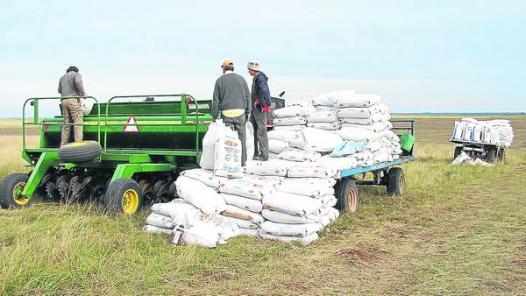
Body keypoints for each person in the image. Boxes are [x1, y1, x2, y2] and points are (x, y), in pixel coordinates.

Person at [212, 59, 251, 166]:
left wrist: (214, 117)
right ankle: (242, 162)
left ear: (224, 69)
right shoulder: (241, 79)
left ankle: (228, 162)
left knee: (228, 139)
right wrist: (248, 111)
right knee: (241, 138)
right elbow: (248, 96)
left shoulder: (219, 81)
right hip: (240, 113)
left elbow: (216, 101)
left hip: (227, 113)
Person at [247, 61, 272, 161]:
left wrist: (259, 102)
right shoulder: (256, 78)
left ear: (253, 70)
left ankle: (264, 155)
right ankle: (255, 152)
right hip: (254, 110)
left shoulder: (260, 78)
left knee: (261, 132)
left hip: (259, 109)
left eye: (249, 70)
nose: (248, 72)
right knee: (253, 131)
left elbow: (263, 90)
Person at [58, 65, 86, 146]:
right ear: (76, 71)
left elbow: (59, 90)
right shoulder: (76, 74)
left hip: (63, 101)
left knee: (66, 125)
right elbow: (78, 82)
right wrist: (83, 93)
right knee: (78, 122)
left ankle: (63, 146)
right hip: (73, 100)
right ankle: (78, 145)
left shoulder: (62, 77)